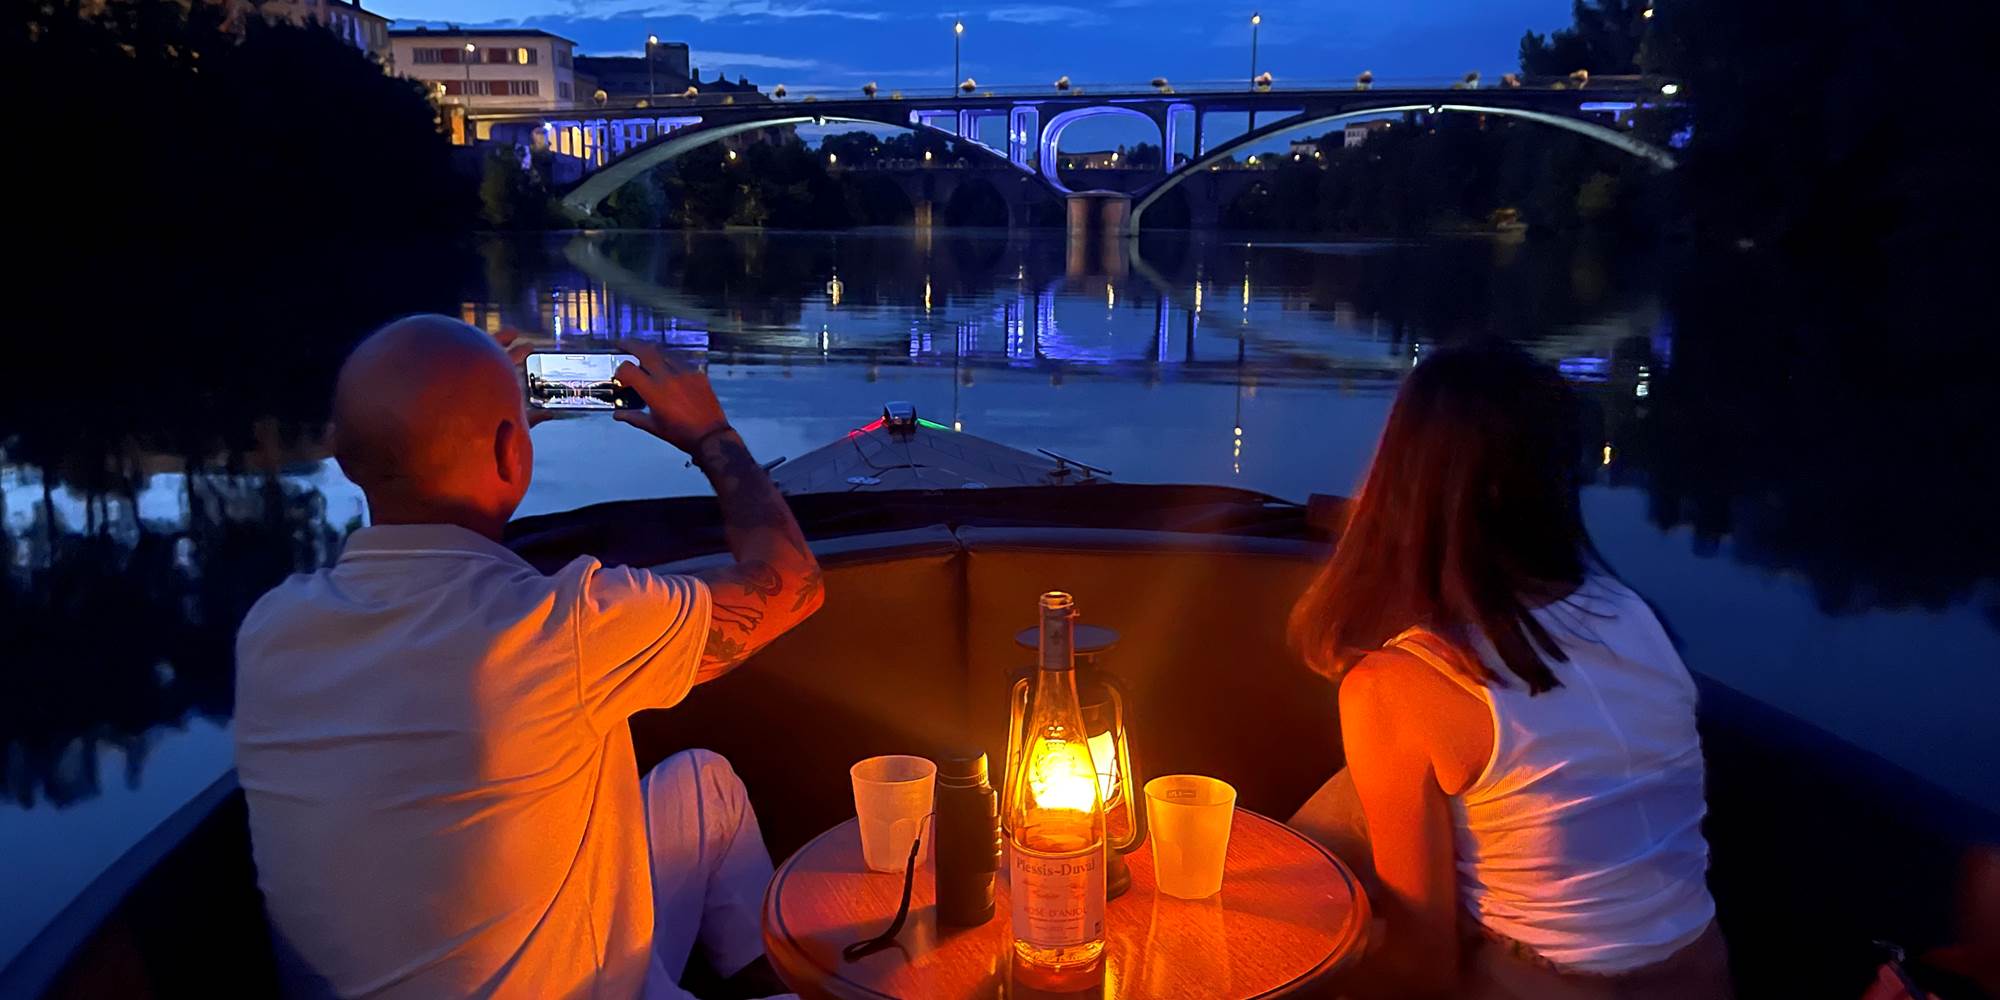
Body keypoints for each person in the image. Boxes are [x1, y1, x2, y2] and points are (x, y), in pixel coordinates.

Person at [234, 315, 822, 999]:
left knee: (704, 787)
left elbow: (445, 586)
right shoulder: (562, 630)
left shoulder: (269, 630)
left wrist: (481, 434)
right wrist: (711, 435)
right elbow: (793, 584)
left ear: (345, 461)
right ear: (513, 453)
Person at [1286, 341, 1731, 999]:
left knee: (1298, 943)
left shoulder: (1399, 687)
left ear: (1402, 476)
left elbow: (1422, 968)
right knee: (1361, 793)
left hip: (1545, 986)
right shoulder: (1634, 614)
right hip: (1702, 975)